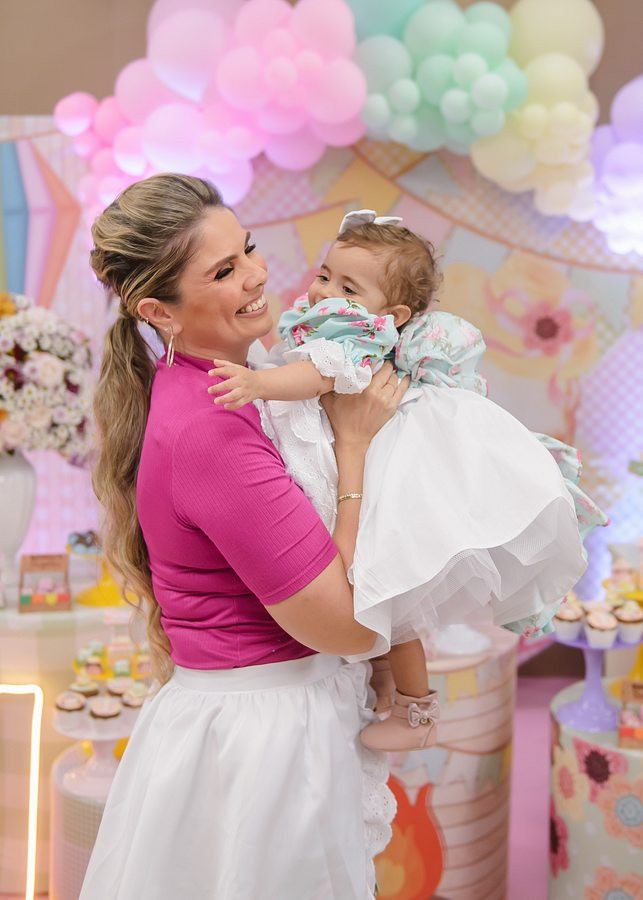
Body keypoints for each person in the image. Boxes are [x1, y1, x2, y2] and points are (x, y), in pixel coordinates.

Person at [79, 176, 407, 900]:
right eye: (224, 270)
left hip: (255, 721)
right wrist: (355, 445)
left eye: (249, 250)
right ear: (158, 311)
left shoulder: (228, 380)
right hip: (265, 750)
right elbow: (348, 627)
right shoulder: (212, 431)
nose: (257, 274)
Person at [204, 209, 608, 753]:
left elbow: (320, 374)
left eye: (348, 288)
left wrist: (259, 384)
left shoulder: (355, 336)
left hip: (381, 476)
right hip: (368, 466)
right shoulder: (333, 320)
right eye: (324, 275)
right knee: (387, 607)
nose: (325, 291)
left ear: (392, 315)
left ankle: (417, 713)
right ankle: (395, 695)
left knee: (389, 604)